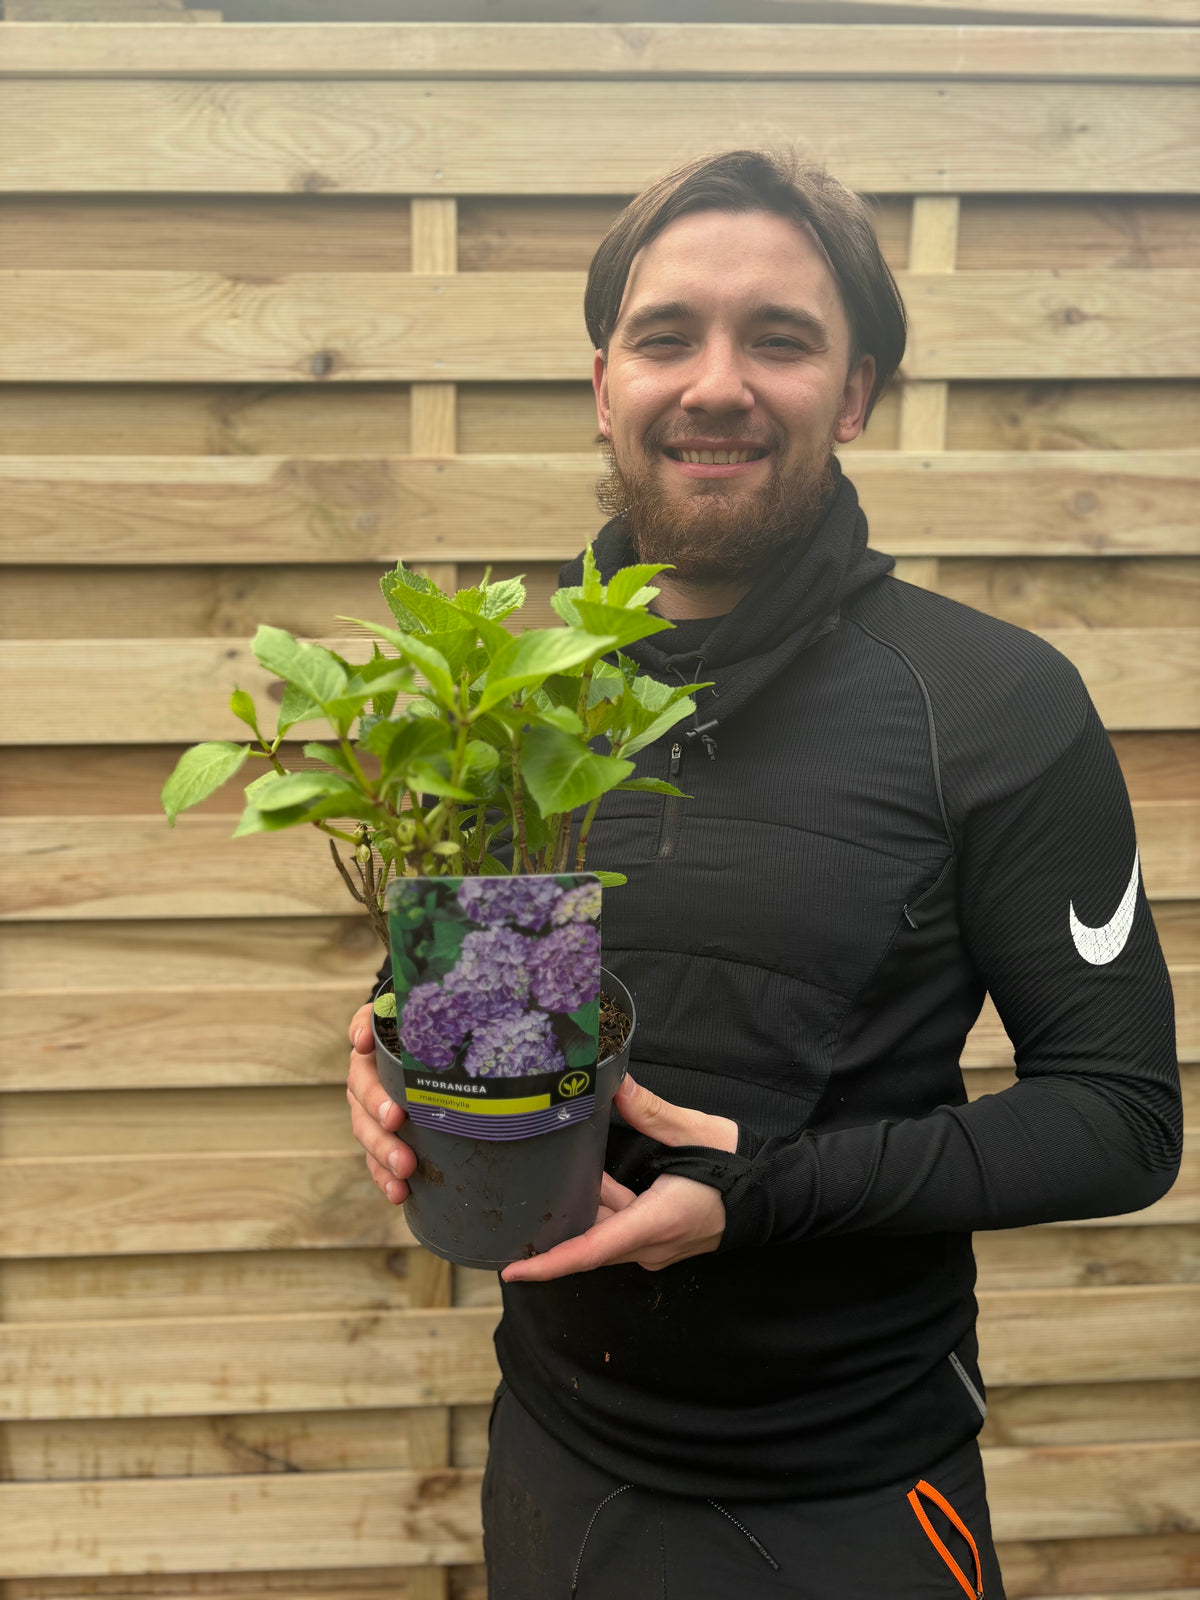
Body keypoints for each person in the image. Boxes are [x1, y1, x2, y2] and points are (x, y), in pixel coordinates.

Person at [345, 151, 1180, 1597]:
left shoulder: (993, 705)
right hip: (554, 1459)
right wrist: (385, 1053)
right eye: (667, 335)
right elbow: (480, 989)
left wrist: (759, 1198)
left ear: (856, 393)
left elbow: (1119, 1123)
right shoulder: (504, 693)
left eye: (779, 339)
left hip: (847, 1494)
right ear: (605, 383)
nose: (716, 383)